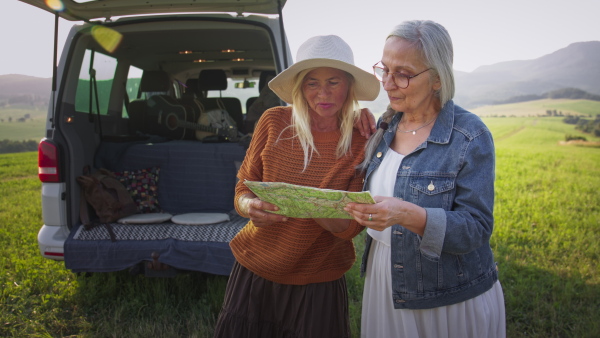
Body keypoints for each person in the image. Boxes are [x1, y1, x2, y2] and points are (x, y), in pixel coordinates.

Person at [344, 20, 506, 338]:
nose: (388, 84)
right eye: (384, 70)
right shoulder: (385, 125)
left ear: (436, 79)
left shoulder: (470, 136)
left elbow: (475, 229)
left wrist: (406, 214)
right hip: (384, 277)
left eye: (403, 74)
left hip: (447, 294)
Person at [213, 35, 380, 337]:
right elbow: (242, 191)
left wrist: (310, 206)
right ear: (300, 87)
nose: (322, 94)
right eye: (312, 83)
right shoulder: (274, 121)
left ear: (349, 87)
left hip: (318, 278)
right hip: (255, 269)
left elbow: (351, 227)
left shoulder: (361, 139)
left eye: (334, 82)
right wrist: (251, 207)